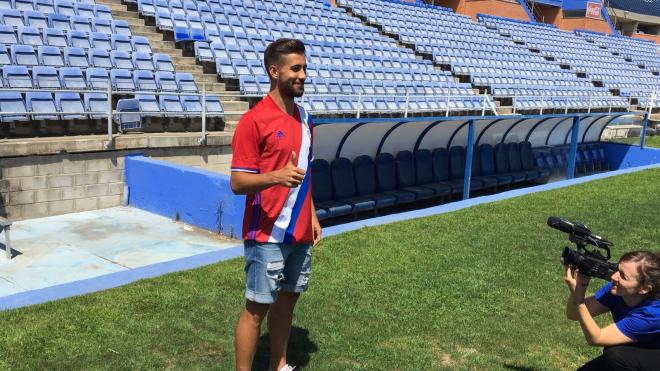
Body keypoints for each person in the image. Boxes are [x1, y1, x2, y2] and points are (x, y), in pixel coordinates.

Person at [229, 38, 322, 371]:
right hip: (266, 233)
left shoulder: (305, 118)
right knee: (256, 308)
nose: (303, 75)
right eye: (295, 68)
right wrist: (275, 176)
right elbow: (238, 183)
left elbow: (306, 173)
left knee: (287, 302)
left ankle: (278, 364)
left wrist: (311, 215)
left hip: (299, 232)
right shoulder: (254, 121)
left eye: (304, 68)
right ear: (274, 71)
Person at [564, 250, 660, 370]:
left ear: (644, 288)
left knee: (615, 356)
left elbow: (596, 338)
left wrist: (579, 300)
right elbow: (573, 314)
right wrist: (581, 285)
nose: (614, 277)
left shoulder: (652, 314)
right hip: (638, 348)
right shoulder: (615, 290)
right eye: (617, 269)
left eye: (623, 276)